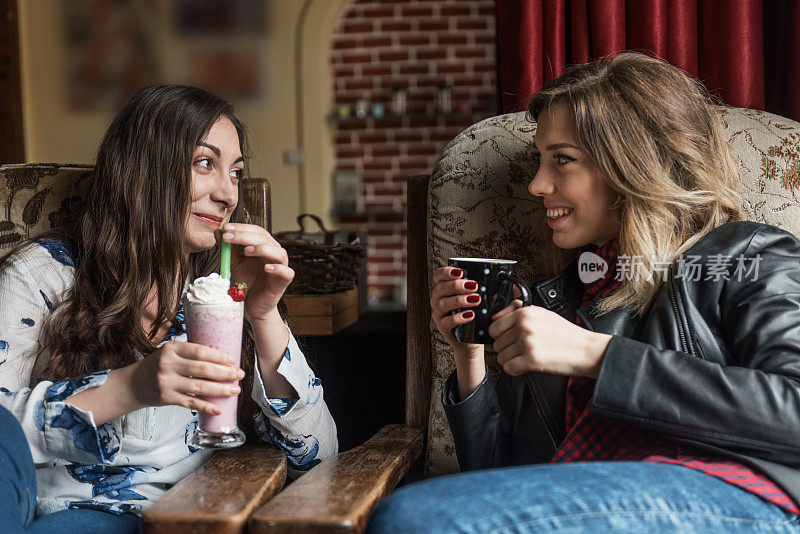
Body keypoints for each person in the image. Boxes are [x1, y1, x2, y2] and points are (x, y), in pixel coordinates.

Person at [366, 52, 800, 532]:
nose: (537, 184)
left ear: (633, 163)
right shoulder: (568, 300)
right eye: (539, 160)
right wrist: (468, 358)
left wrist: (598, 356)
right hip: (605, 503)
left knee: (417, 515)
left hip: (745, 496)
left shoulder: (744, 253)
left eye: (563, 160)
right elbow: (499, 490)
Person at [0, 85, 337, 533]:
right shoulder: (41, 276)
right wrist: (130, 386)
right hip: (71, 514)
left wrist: (263, 312)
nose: (227, 195)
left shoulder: (220, 288)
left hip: (193, 512)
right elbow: (3, 441)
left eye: (235, 173)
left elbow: (320, 459)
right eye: (205, 163)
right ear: (143, 173)